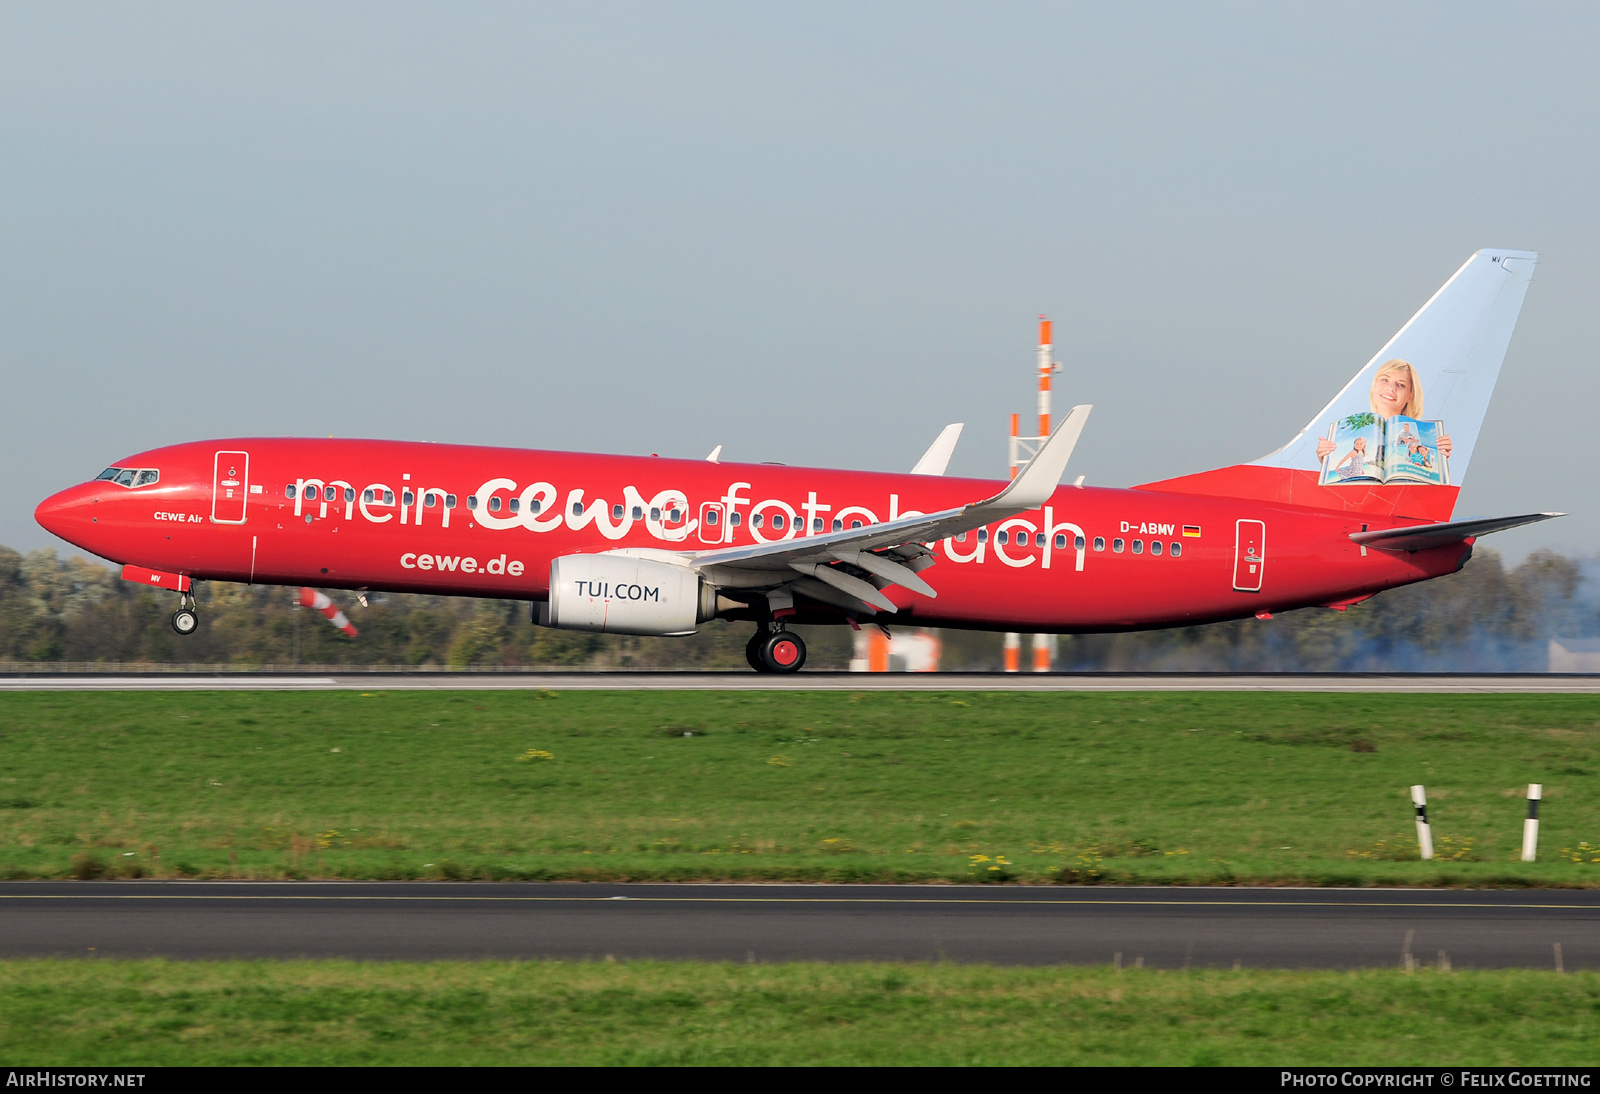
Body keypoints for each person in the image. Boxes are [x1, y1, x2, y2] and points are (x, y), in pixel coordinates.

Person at [1317, 359, 1452, 461]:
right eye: (1384, 380)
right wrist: (1326, 461)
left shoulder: (1424, 437)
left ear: (1410, 396)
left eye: (1401, 385)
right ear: (1374, 386)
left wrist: (1439, 460)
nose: (1391, 388)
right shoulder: (1346, 432)